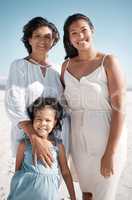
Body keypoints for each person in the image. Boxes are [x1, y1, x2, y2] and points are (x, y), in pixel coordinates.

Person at [61, 13, 127, 200]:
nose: (80, 36)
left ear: (92, 31)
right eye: (74, 33)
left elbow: (120, 108)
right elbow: (62, 105)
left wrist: (109, 153)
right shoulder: (65, 66)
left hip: (106, 141)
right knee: (87, 194)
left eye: (84, 30)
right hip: (78, 144)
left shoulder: (108, 61)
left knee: (104, 195)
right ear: (69, 38)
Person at [5, 17, 69, 167]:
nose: (43, 40)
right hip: (27, 140)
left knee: (50, 185)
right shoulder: (19, 66)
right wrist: (36, 138)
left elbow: (64, 105)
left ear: (53, 41)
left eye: (48, 37)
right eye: (37, 36)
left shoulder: (57, 69)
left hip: (56, 141)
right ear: (29, 39)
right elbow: (14, 104)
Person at [7, 97, 76, 200]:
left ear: (55, 122)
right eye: (39, 119)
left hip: (48, 195)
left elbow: (65, 172)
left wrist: (73, 197)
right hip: (23, 194)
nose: (43, 123)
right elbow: (18, 170)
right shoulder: (24, 144)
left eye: (48, 120)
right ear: (32, 120)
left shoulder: (58, 146)